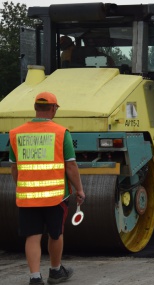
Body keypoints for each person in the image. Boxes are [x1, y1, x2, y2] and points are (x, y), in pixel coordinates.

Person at [8, 92, 86, 284]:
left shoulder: (15, 133)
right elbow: (70, 165)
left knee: (32, 235)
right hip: (55, 198)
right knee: (55, 233)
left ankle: (35, 278)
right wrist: (80, 190)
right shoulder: (61, 133)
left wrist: (23, 187)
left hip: (28, 197)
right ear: (53, 108)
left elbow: (14, 167)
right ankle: (55, 271)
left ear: (35, 108)